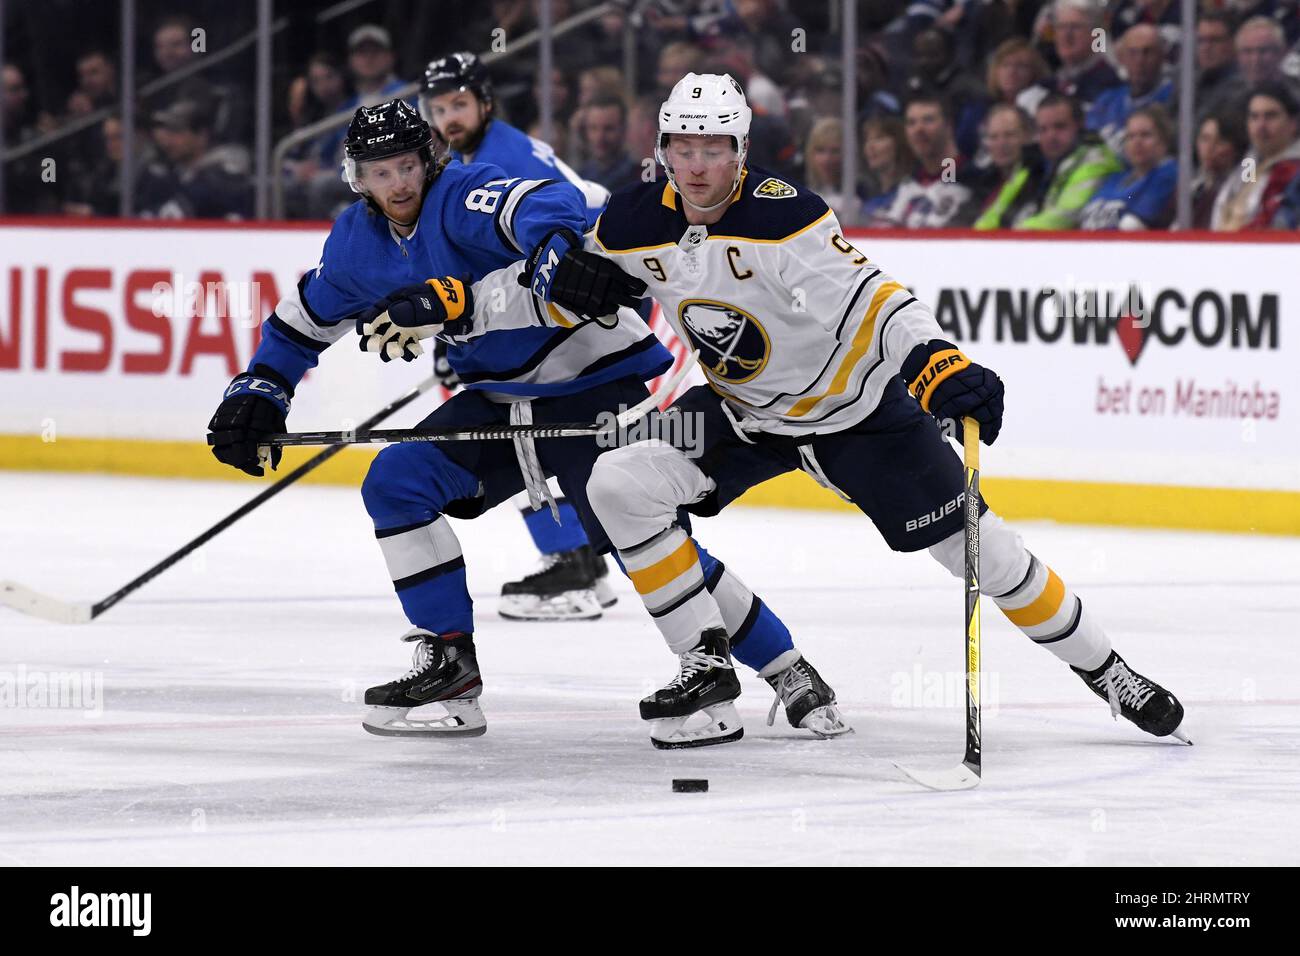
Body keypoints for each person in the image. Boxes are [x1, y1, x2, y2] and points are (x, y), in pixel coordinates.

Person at [583, 72, 1190, 750]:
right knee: (617, 483)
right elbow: (574, 265)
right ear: (663, 146)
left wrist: (934, 359)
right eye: (684, 146)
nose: (698, 164)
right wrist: (548, 282)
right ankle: (713, 666)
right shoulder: (631, 222)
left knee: (985, 555)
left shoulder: (786, 219)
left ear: (743, 149)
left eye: (715, 147)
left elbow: (875, 299)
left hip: (858, 415)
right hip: (741, 414)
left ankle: (1108, 671)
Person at [204, 99, 659, 737]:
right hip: (502, 397)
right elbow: (305, 320)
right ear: (356, 178)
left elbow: (546, 204)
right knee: (395, 482)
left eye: (407, 165)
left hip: (587, 383)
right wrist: (261, 388)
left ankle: (767, 665)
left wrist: (554, 251)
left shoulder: (460, 193)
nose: (399, 183)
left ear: (428, 161)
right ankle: (451, 663)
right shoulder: (358, 243)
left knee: (648, 538)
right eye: (380, 172)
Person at [419, 51, 617, 620]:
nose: (449, 117)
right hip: (570, 293)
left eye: (459, 104)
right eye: (439, 108)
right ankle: (586, 562)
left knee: (520, 421)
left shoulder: (500, 159)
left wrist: (460, 334)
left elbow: (547, 237)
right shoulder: (476, 152)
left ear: (485, 103)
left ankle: (575, 567)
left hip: (586, 291)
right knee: (529, 426)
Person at [975, 93, 1122, 229]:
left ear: (1080, 125)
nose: (1050, 136)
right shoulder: (1033, 165)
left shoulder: (1096, 160)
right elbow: (995, 213)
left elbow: (1064, 217)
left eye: (1059, 127)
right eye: (1043, 129)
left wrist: (1009, 238)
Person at [866, 94, 975, 228]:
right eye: (912, 123)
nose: (919, 129)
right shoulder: (906, 185)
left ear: (948, 127)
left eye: (928, 120)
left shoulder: (973, 182)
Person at [1211, 82, 1300, 230]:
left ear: (1293, 123)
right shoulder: (1250, 163)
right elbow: (1238, 202)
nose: (1261, 125)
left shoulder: (1294, 168)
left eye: (1270, 116)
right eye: (1254, 117)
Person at [1079, 105, 1178, 230]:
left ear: (1163, 141)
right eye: (1131, 136)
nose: (1137, 142)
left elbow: (1132, 225)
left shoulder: (1167, 175)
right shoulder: (1114, 178)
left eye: (1145, 135)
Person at [1086, 24, 1173, 155]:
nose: (1140, 60)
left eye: (1147, 52)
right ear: (1122, 58)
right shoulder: (1106, 101)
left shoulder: (1173, 98)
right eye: (1133, 53)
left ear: (1162, 56)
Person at [1191, 111, 1249, 229]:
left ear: (1236, 147)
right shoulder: (1193, 187)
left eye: (1220, 141)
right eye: (1205, 139)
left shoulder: (1243, 186)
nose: (1209, 147)